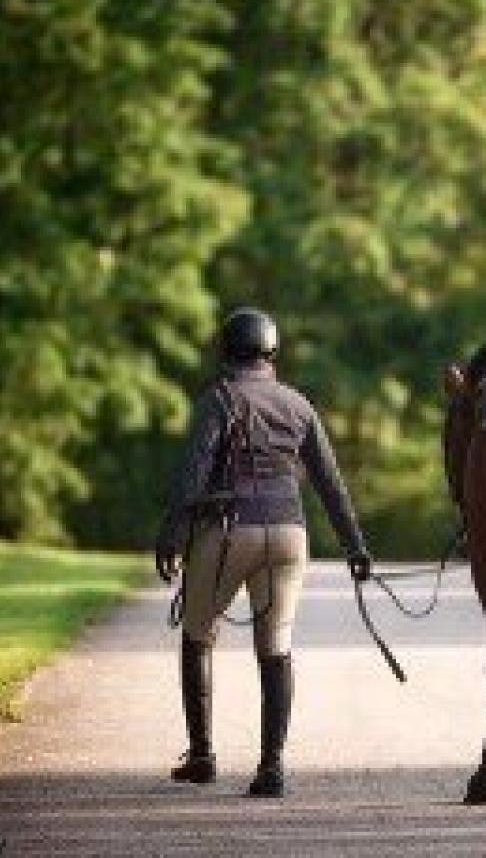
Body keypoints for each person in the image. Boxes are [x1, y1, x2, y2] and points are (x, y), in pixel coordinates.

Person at [154, 307, 372, 798]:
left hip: (230, 529)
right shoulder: (300, 405)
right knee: (275, 647)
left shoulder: (218, 399)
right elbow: (331, 485)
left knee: (197, 632)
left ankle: (203, 755)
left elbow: (193, 473)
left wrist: (172, 533)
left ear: (226, 350)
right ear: (272, 352)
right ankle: (272, 767)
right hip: (289, 536)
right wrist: (354, 545)